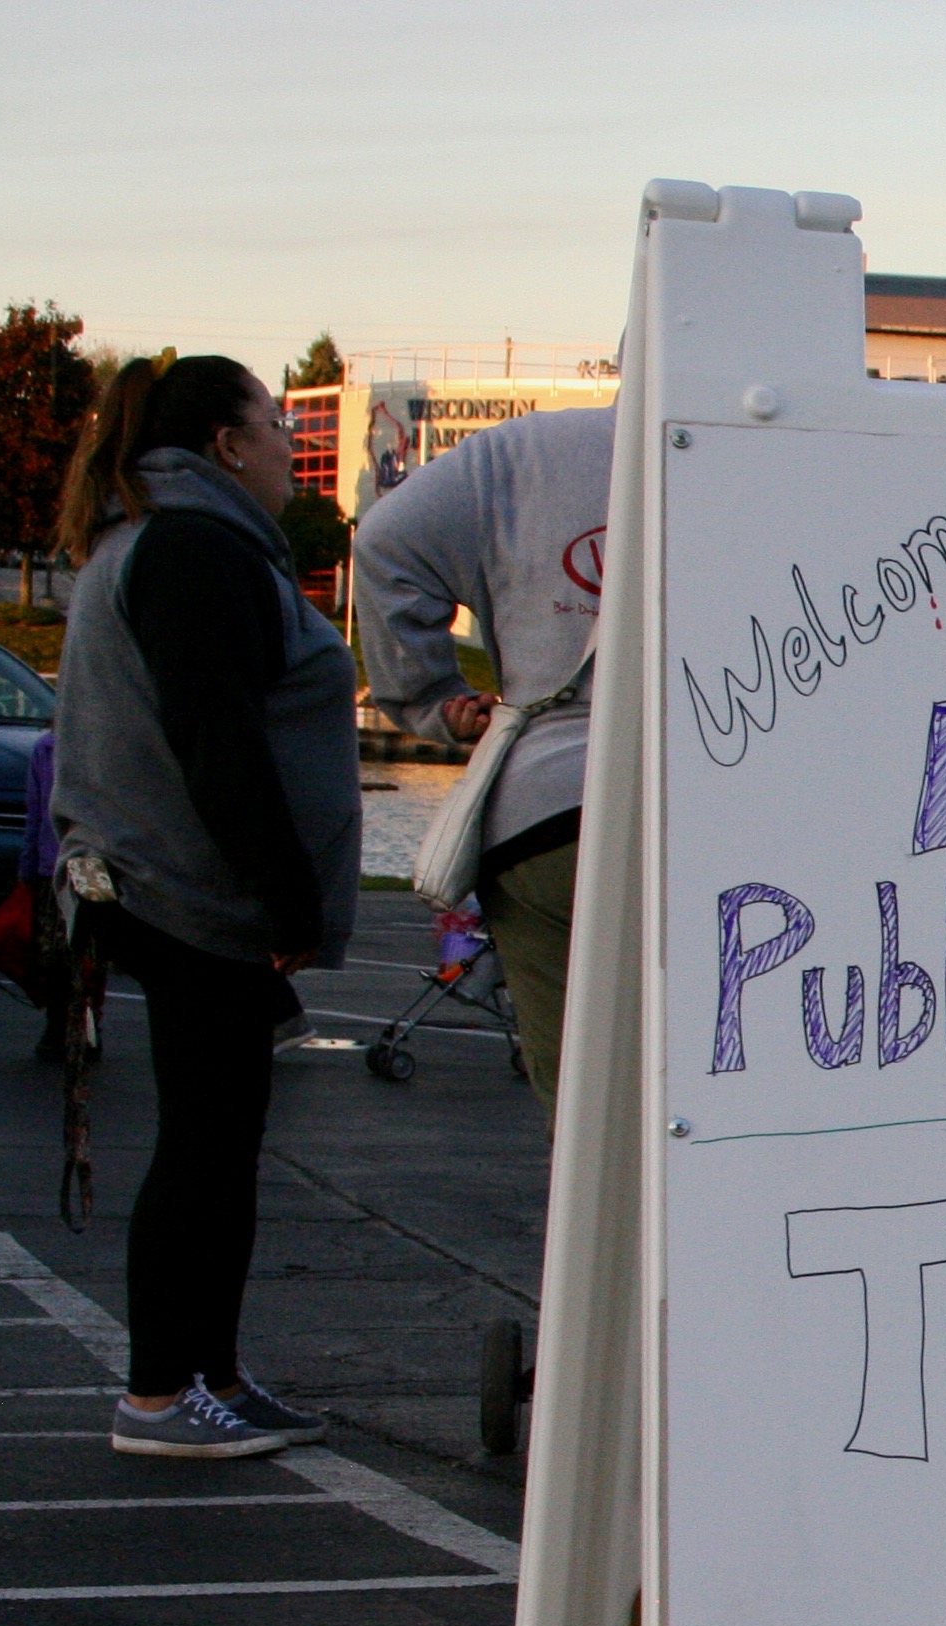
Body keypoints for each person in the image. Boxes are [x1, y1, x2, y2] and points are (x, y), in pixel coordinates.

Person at [48, 356, 359, 1458]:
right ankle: (158, 1394)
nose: (289, 447)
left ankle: (208, 1375)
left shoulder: (164, 542)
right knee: (204, 1148)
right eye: (276, 426)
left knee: (219, 1145)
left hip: (176, 888)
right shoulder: (187, 549)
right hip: (191, 895)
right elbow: (215, 738)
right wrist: (285, 902)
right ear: (226, 448)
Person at [352, 403, 612, 1121]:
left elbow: (385, 539)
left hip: (552, 806)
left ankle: (598, 1227)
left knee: (584, 1107)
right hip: (738, 808)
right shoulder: (812, 455)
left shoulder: (525, 454)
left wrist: (428, 695)